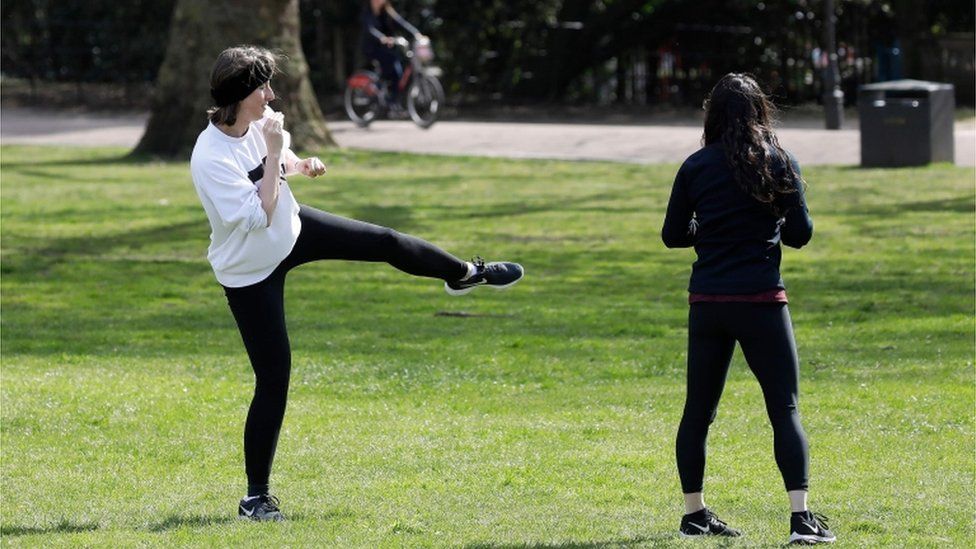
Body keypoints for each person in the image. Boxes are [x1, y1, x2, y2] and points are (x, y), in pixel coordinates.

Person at [190, 45, 523, 521]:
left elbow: (274, 176)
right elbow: (258, 212)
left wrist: (298, 164)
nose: (271, 94)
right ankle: (255, 497)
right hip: (249, 271)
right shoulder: (209, 157)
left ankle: (465, 274)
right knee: (274, 379)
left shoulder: (257, 126)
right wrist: (272, 150)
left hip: (294, 230)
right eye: (263, 87)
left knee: (385, 240)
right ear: (242, 94)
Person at [661, 73, 835, 545]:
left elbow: (673, 234)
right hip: (761, 300)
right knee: (784, 408)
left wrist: (710, 229)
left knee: (697, 411)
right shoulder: (779, 162)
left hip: (709, 304)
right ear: (762, 111)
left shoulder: (696, 165)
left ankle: (694, 513)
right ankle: (801, 519)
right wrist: (770, 219)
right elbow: (800, 234)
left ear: (712, 115)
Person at [360, 0, 424, 110]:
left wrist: (416, 33)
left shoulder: (387, 12)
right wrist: (382, 38)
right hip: (371, 48)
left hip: (387, 48)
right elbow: (369, 29)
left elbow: (402, 23)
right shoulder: (367, 13)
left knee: (398, 69)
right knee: (393, 67)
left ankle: (393, 100)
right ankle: (380, 91)